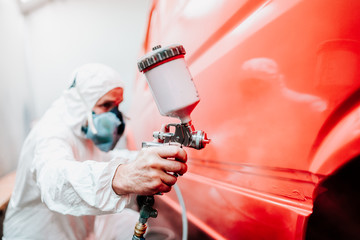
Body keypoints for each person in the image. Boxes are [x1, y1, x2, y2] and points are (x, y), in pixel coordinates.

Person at [3, 63, 187, 240]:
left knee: (130, 221)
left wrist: (147, 157)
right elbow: (55, 181)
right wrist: (122, 177)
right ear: (81, 103)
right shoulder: (51, 132)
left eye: (117, 106)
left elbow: (104, 159)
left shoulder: (82, 131)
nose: (114, 117)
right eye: (106, 106)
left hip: (76, 228)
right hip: (36, 234)